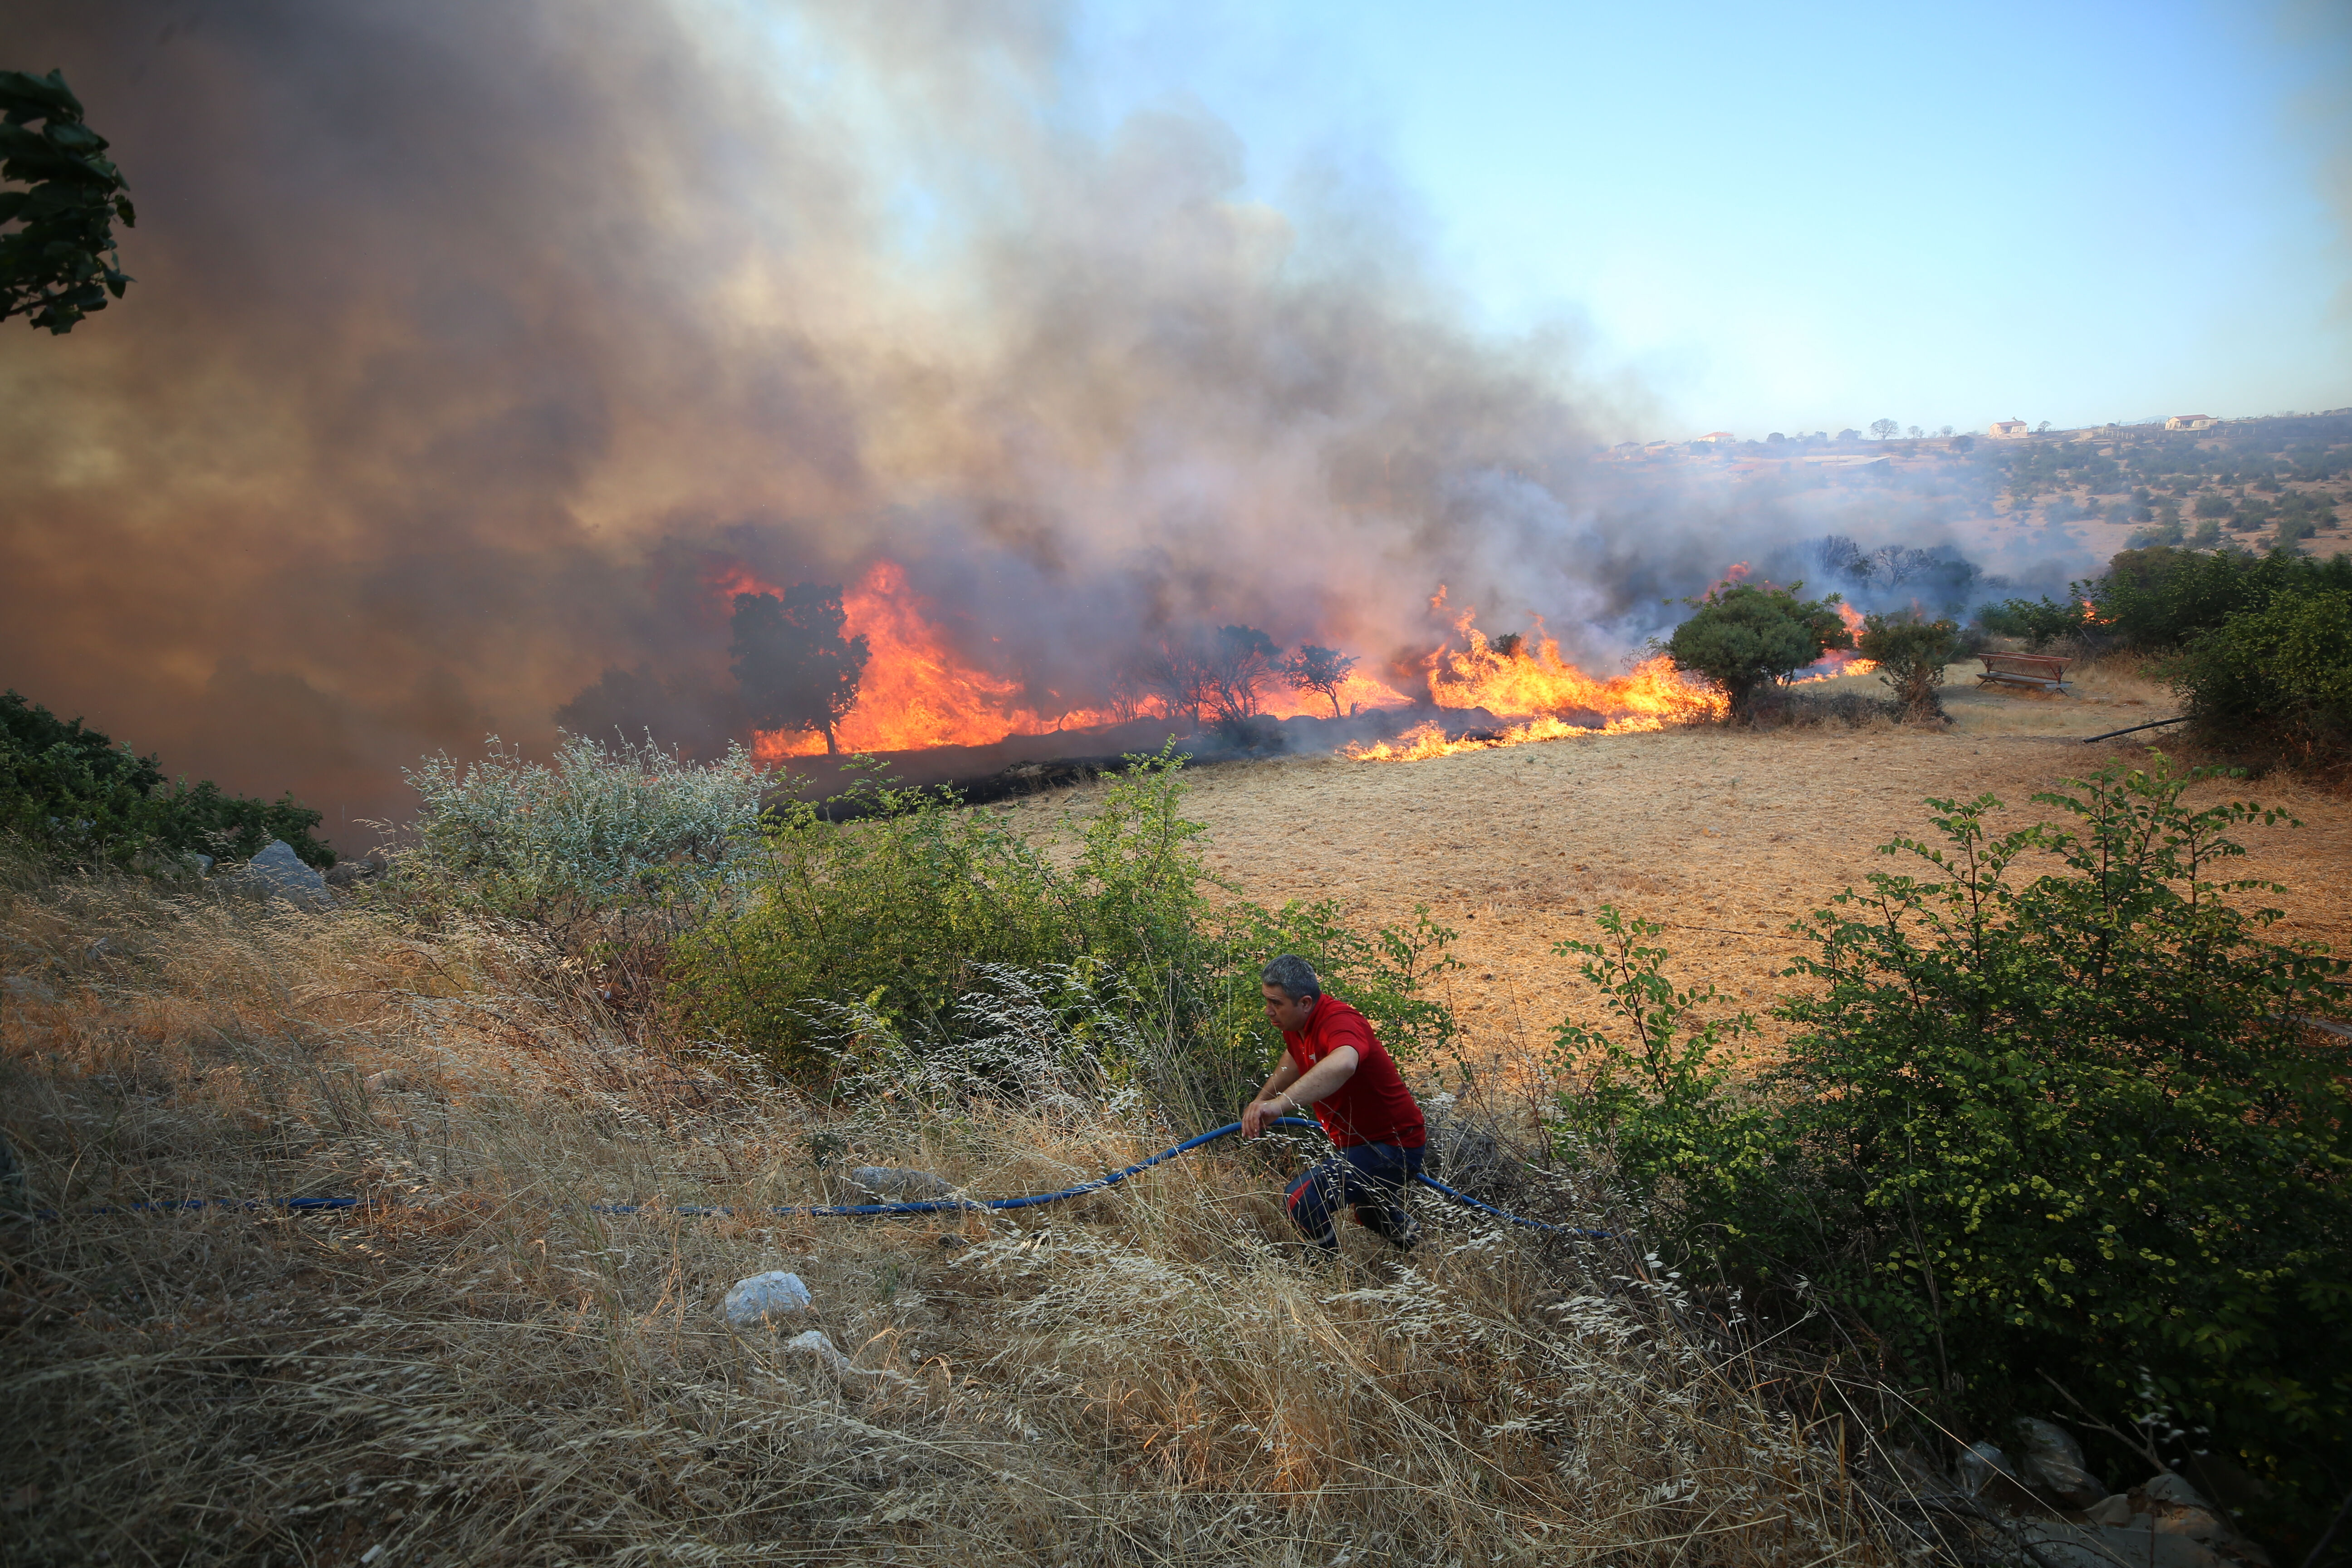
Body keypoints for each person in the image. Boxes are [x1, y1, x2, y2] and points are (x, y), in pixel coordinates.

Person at [1242, 954, 1426, 1252]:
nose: (1268, 1011)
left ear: (1304, 1003)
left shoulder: (1339, 1021)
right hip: (1358, 1144)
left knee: (1301, 1201)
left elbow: (1343, 1063)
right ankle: (1427, 1252)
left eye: (1276, 1003)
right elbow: (1296, 1058)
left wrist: (1279, 1105)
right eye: (1267, 1001)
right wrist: (1262, 1100)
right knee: (1371, 1214)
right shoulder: (1297, 1025)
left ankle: (1328, 1283)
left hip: (1393, 1146)